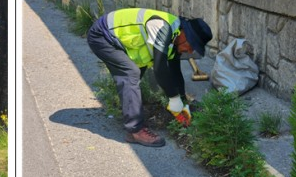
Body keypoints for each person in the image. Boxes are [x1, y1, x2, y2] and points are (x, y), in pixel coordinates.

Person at [87, 8, 213, 147]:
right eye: (191, 45)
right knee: (131, 74)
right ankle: (135, 130)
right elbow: (159, 69)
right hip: (102, 35)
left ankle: (130, 112)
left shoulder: (175, 38)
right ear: (185, 34)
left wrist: (182, 103)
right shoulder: (163, 28)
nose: (190, 51)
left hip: (118, 40)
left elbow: (175, 72)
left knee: (133, 80)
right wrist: (173, 98)